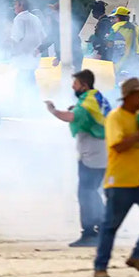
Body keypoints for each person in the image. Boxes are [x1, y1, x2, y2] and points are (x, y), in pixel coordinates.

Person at [93, 78, 139, 277]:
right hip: (121, 182)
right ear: (128, 97)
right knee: (110, 227)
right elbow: (118, 146)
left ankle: (138, 254)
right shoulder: (116, 117)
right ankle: (100, 267)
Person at [45, 69, 111, 247]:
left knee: (86, 192)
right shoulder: (95, 98)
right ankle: (105, 226)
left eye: (75, 84)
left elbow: (72, 117)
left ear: (84, 85)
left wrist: (53, 111)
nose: (73, 87)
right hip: (99, 150)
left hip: (94, 152)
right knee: (91, 191)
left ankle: (90, 233)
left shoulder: (88, 101)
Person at [10, 0, 46, 88]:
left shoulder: (19, 19)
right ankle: (32, 99)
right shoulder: (36, 18)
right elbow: (43, 36)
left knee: (22, 82)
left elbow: (17, 38)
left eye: (16, 5)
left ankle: (24, 100)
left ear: (21, 6)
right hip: (35, 56)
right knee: (30, 80)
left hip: (24, 56)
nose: (14, 8)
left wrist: (8, 43)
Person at [107, 6, 139, 75]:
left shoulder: (115, 27)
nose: (113, 20)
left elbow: (110, 44)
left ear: (118, 18)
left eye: (114, 18)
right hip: (134, 60)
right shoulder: (136, 28)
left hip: (119, 60)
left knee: (118, 82)